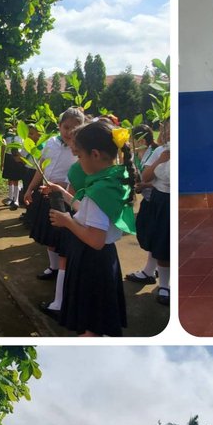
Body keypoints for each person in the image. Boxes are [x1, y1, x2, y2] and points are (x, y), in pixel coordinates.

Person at [47, 120, 137, 337]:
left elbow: (95, 240)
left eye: (79, 156)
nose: (78, 161)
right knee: (98, 319)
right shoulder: (112, 180)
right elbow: (91, 213)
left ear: (95, 154)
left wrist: (67, 221)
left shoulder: (99, 190)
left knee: (90, 326)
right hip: (105, 260)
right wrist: (64, 194)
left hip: (91, 262)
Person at [21, 108, 83, 315]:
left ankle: (60, 276)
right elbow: (41, 168)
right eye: (66, 127)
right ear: (59, 126)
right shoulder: (50, 143)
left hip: (66, 198)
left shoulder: (79, 149)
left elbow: (79, 178)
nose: (69, 132)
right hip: (46, 194)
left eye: (74, 128)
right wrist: (29, 189)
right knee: (48, 236)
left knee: (62, 240)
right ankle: (53, 267)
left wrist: (61, 186)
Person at [127, 121, 171, 304]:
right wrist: (161, 160)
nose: (167, 132)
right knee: (155, 238)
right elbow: (146, 176)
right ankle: (149, 271)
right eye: (165, 128)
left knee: (164, 244)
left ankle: (165, 285)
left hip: (169, 199)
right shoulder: (161, 152)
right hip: (158, 199)